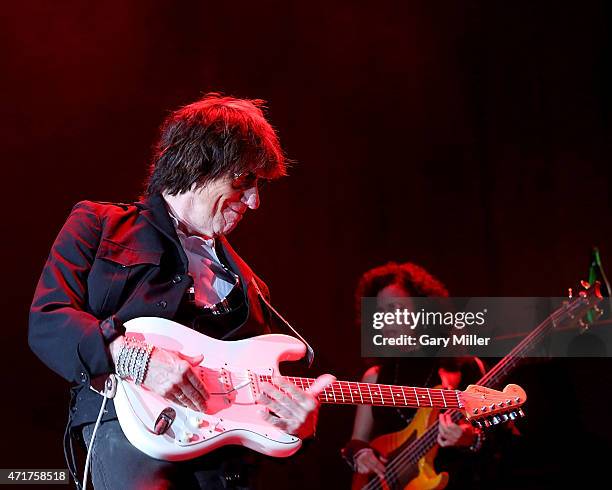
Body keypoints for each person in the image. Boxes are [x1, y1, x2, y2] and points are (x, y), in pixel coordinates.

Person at [29, 93, 332, 489]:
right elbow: (48, 321)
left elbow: (257, 399)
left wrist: (298, 425)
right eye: (244, 181)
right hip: (128, 433)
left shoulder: (252, 286)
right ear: (199, 164)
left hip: (223, 468)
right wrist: (132, 358)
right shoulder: (98, 225)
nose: (255, 202)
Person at [342, 262, 488, 489]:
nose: (385, 320)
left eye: (395, 309)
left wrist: (470, 438)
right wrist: (360, 453)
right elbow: (356, 441)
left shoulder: (462, 367)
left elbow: (497, 438)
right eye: (379, 312)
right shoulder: (374, 376)